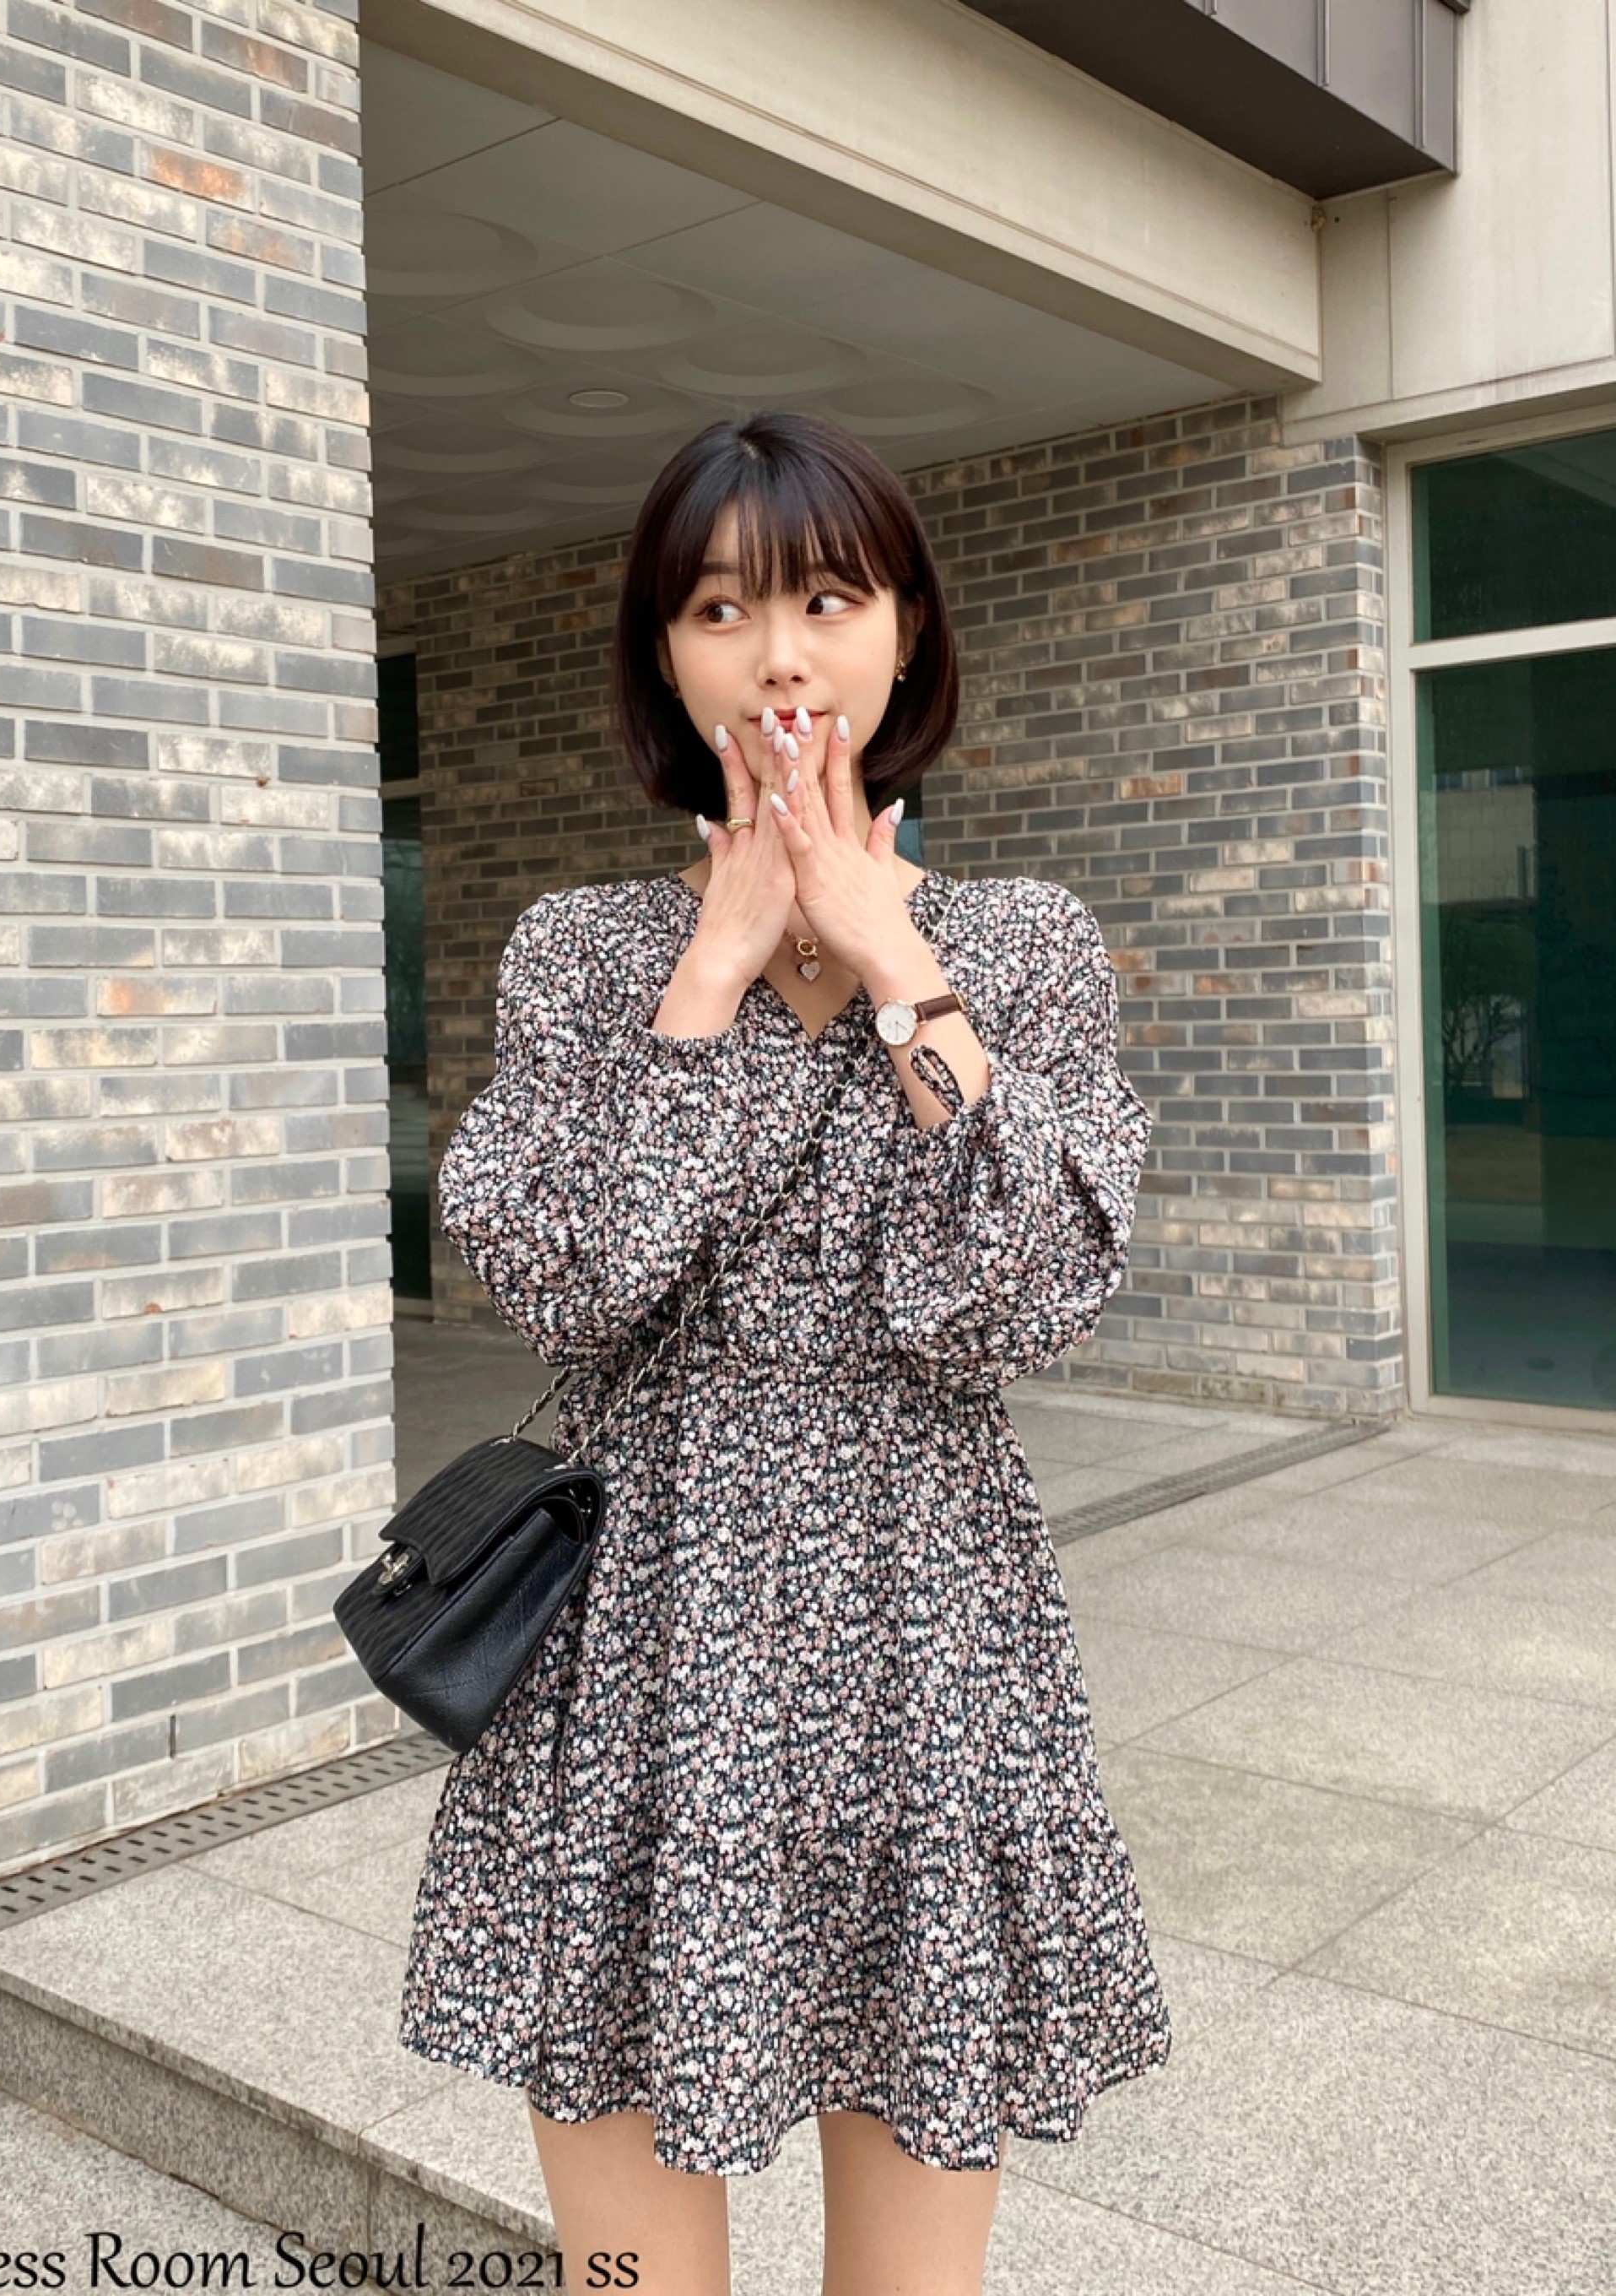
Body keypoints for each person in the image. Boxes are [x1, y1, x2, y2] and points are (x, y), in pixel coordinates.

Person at [398, 410, 1172, 2296]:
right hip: (637, 1645)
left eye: (828, 599)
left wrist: (895, 963)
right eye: (721, 608)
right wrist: (712, 976)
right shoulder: (582, 954)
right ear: (666, 657)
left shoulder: (1023, 944)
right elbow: (567, 1284)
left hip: (929, 1630)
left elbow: (1028, 1292)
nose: (779, 657)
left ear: (905, 634)